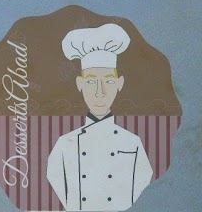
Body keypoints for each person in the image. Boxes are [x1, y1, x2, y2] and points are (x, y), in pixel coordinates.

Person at [48, 24, 154, 209]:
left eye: (108, 81)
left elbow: (143, 191)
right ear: (79, 84)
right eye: (91, 81)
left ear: (120, 84)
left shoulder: (133, 144)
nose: (100, 92)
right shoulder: (64, 145)